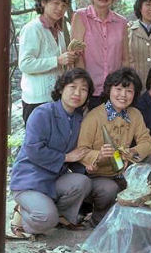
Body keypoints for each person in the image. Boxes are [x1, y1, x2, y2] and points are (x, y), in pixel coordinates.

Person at [9, 68, 95, 238]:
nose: (77, 93)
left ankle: (59, 215)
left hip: (53, 179)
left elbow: (76, 154)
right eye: (72, 87)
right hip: (30, 180)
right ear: (61, 89)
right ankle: (22, 215)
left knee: (82, 182)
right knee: (46, 219)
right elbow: (33, 149)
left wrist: (87, 163)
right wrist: (66, 157)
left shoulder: (78, 118)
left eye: (83, 89)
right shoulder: (43, 112)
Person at [77, 67, 151, 226]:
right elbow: (82, 150)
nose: (123, 95)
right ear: (109, 90)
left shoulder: (135, 114)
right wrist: (98, 155)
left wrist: (131, 153)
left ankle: (134, 218)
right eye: (118, 89)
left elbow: (147, 142)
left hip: (123, 171)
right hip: (99, 175)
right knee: (109, 189)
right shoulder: (93, 117)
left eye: (129, 91)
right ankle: (98, 219)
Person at [18, 0, 75, 123]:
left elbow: (59, 65)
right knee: (36, 143)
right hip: (36, 101)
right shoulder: (32, 28)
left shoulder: (58, 32)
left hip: (56, 98)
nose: (60, 9)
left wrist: (69, 59)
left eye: (64, 5)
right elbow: (25, 64)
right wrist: (57, 60)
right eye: (56, 3)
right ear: (43, 2)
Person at [71, 0, 129, 109]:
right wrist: (83, 86)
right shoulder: (80, 16)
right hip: (89, 90)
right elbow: (76, 55)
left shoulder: (121, 22)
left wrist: (124, 86)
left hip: (114, 90)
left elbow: (125, 58)